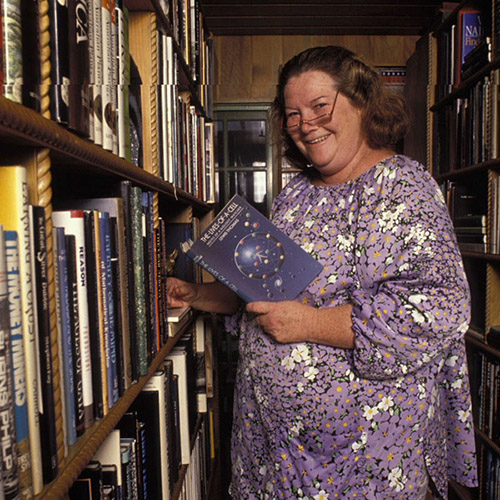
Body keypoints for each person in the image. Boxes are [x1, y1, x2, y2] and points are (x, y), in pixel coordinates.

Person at [167, 45, 478, 500]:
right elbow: (268, 292)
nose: (305, 124)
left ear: (362, 103)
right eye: (292, 115)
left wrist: (311, 324)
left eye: (319, 106)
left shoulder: (404, 187)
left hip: (361, 465)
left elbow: (438, 309)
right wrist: (195, 294)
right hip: (271, 452)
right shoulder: (295, 195)